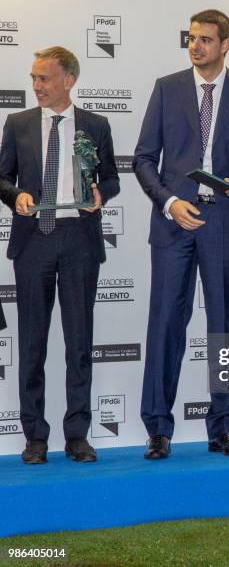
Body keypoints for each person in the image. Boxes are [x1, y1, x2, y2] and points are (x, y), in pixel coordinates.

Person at [134, 9, 229, 459]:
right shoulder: (166, 88)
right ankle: (158, 429)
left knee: (225, 327)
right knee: (166, 324)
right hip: (176, 221)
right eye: (191, 38)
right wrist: (170, 203)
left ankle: (223, 429)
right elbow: (142, 159)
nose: (196, 46)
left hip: (227, 221)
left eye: (206, 40)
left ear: (225, 44)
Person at [0, 46, 120, 464]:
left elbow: (111, 178)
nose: (36, 85)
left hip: (79, 242)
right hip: (33, 242)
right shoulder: (16, 123)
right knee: (32, 344)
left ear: (68, 80)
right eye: (33, 77)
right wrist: (16, 195)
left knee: (79, 344)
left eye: (44, 78)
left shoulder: (96, 124)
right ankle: (35, 437)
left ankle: (77, 435)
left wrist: (100, 194)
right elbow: (2, 177)